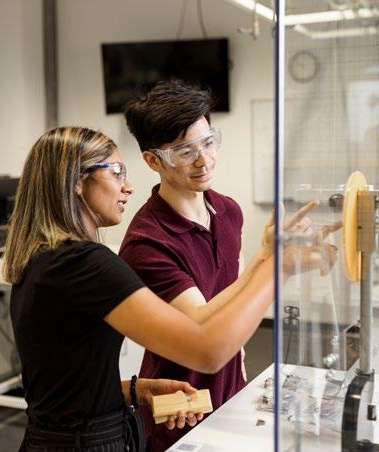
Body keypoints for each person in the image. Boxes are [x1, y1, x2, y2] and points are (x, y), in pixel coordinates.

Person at [2, 126, 335, 451]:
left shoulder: (46, 257)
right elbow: (208, 349)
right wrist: (280, 267)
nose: (128, 186)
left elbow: (63, 385)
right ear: (76, 181)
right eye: (116, 172)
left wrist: (137, 390)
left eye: (208, 143)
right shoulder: (84, 263)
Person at [120, 79, 336, 451]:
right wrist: (271, 262)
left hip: (231, 386)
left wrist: (238, 353)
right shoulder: (147, 242)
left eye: (208, 142)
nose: (204, 160)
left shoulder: (228, 211)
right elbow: (197, 322)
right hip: (181, 403)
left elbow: (231, 296)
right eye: (185, 151)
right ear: (153, 161)